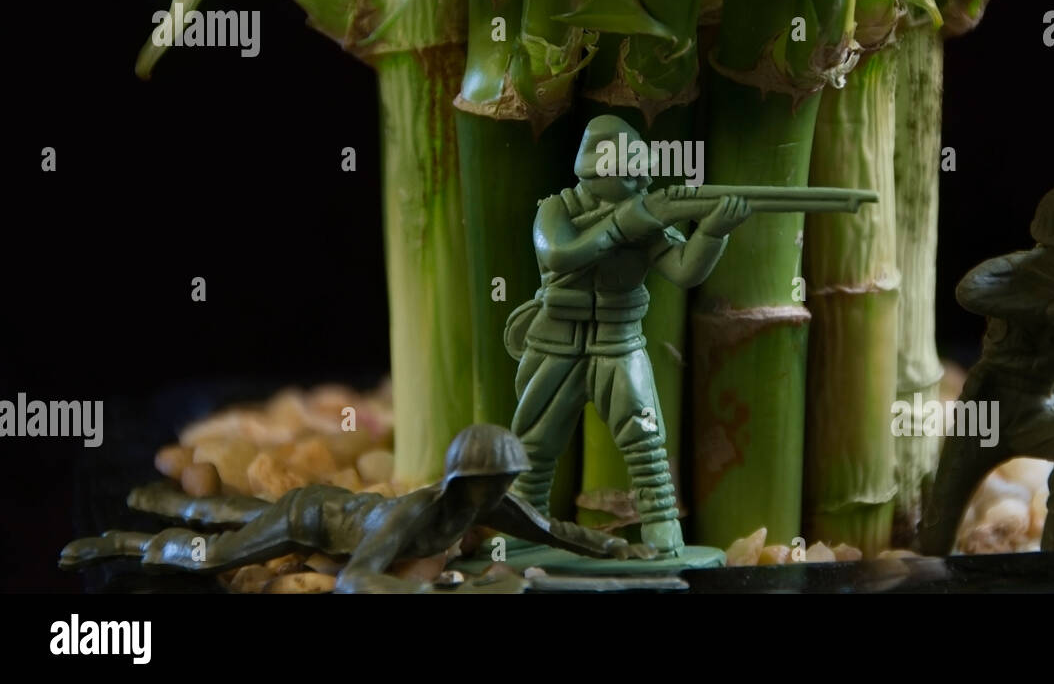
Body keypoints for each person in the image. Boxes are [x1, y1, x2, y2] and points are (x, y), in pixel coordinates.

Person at [505, 115, 750, 555]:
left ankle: (661, 530)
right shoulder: (557, 209)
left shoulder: (644, 220)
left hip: (619, 341)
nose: (644, 182)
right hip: (556, 340)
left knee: (645, 439)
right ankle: (521, 528)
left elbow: (684, 270)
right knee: (534, 445)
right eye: (633, 174)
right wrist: (621, 227)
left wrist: (713, 231)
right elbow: (560, 253)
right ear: (597, 171)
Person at [59, 425, 630, 592]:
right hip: (313, 517)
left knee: (236, 510)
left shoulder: (495, 509)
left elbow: (556, 532)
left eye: (504, 481)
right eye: (492, 481)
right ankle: (128, 542)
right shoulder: (417, 516)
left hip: (343, 507)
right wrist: (434, 588)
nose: (501, 492)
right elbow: (355, 582)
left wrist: (621, 548)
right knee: (220, 552)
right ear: (462, 483)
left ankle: (173, 500)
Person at [917, 184, 1054, 553]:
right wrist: (1047, 310)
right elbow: (968, 291)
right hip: (988, 405)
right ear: (1044, 242)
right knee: (944, 508)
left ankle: (1053, 544)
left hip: (1041, 409)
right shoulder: (1016, 271)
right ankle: (931, 561)